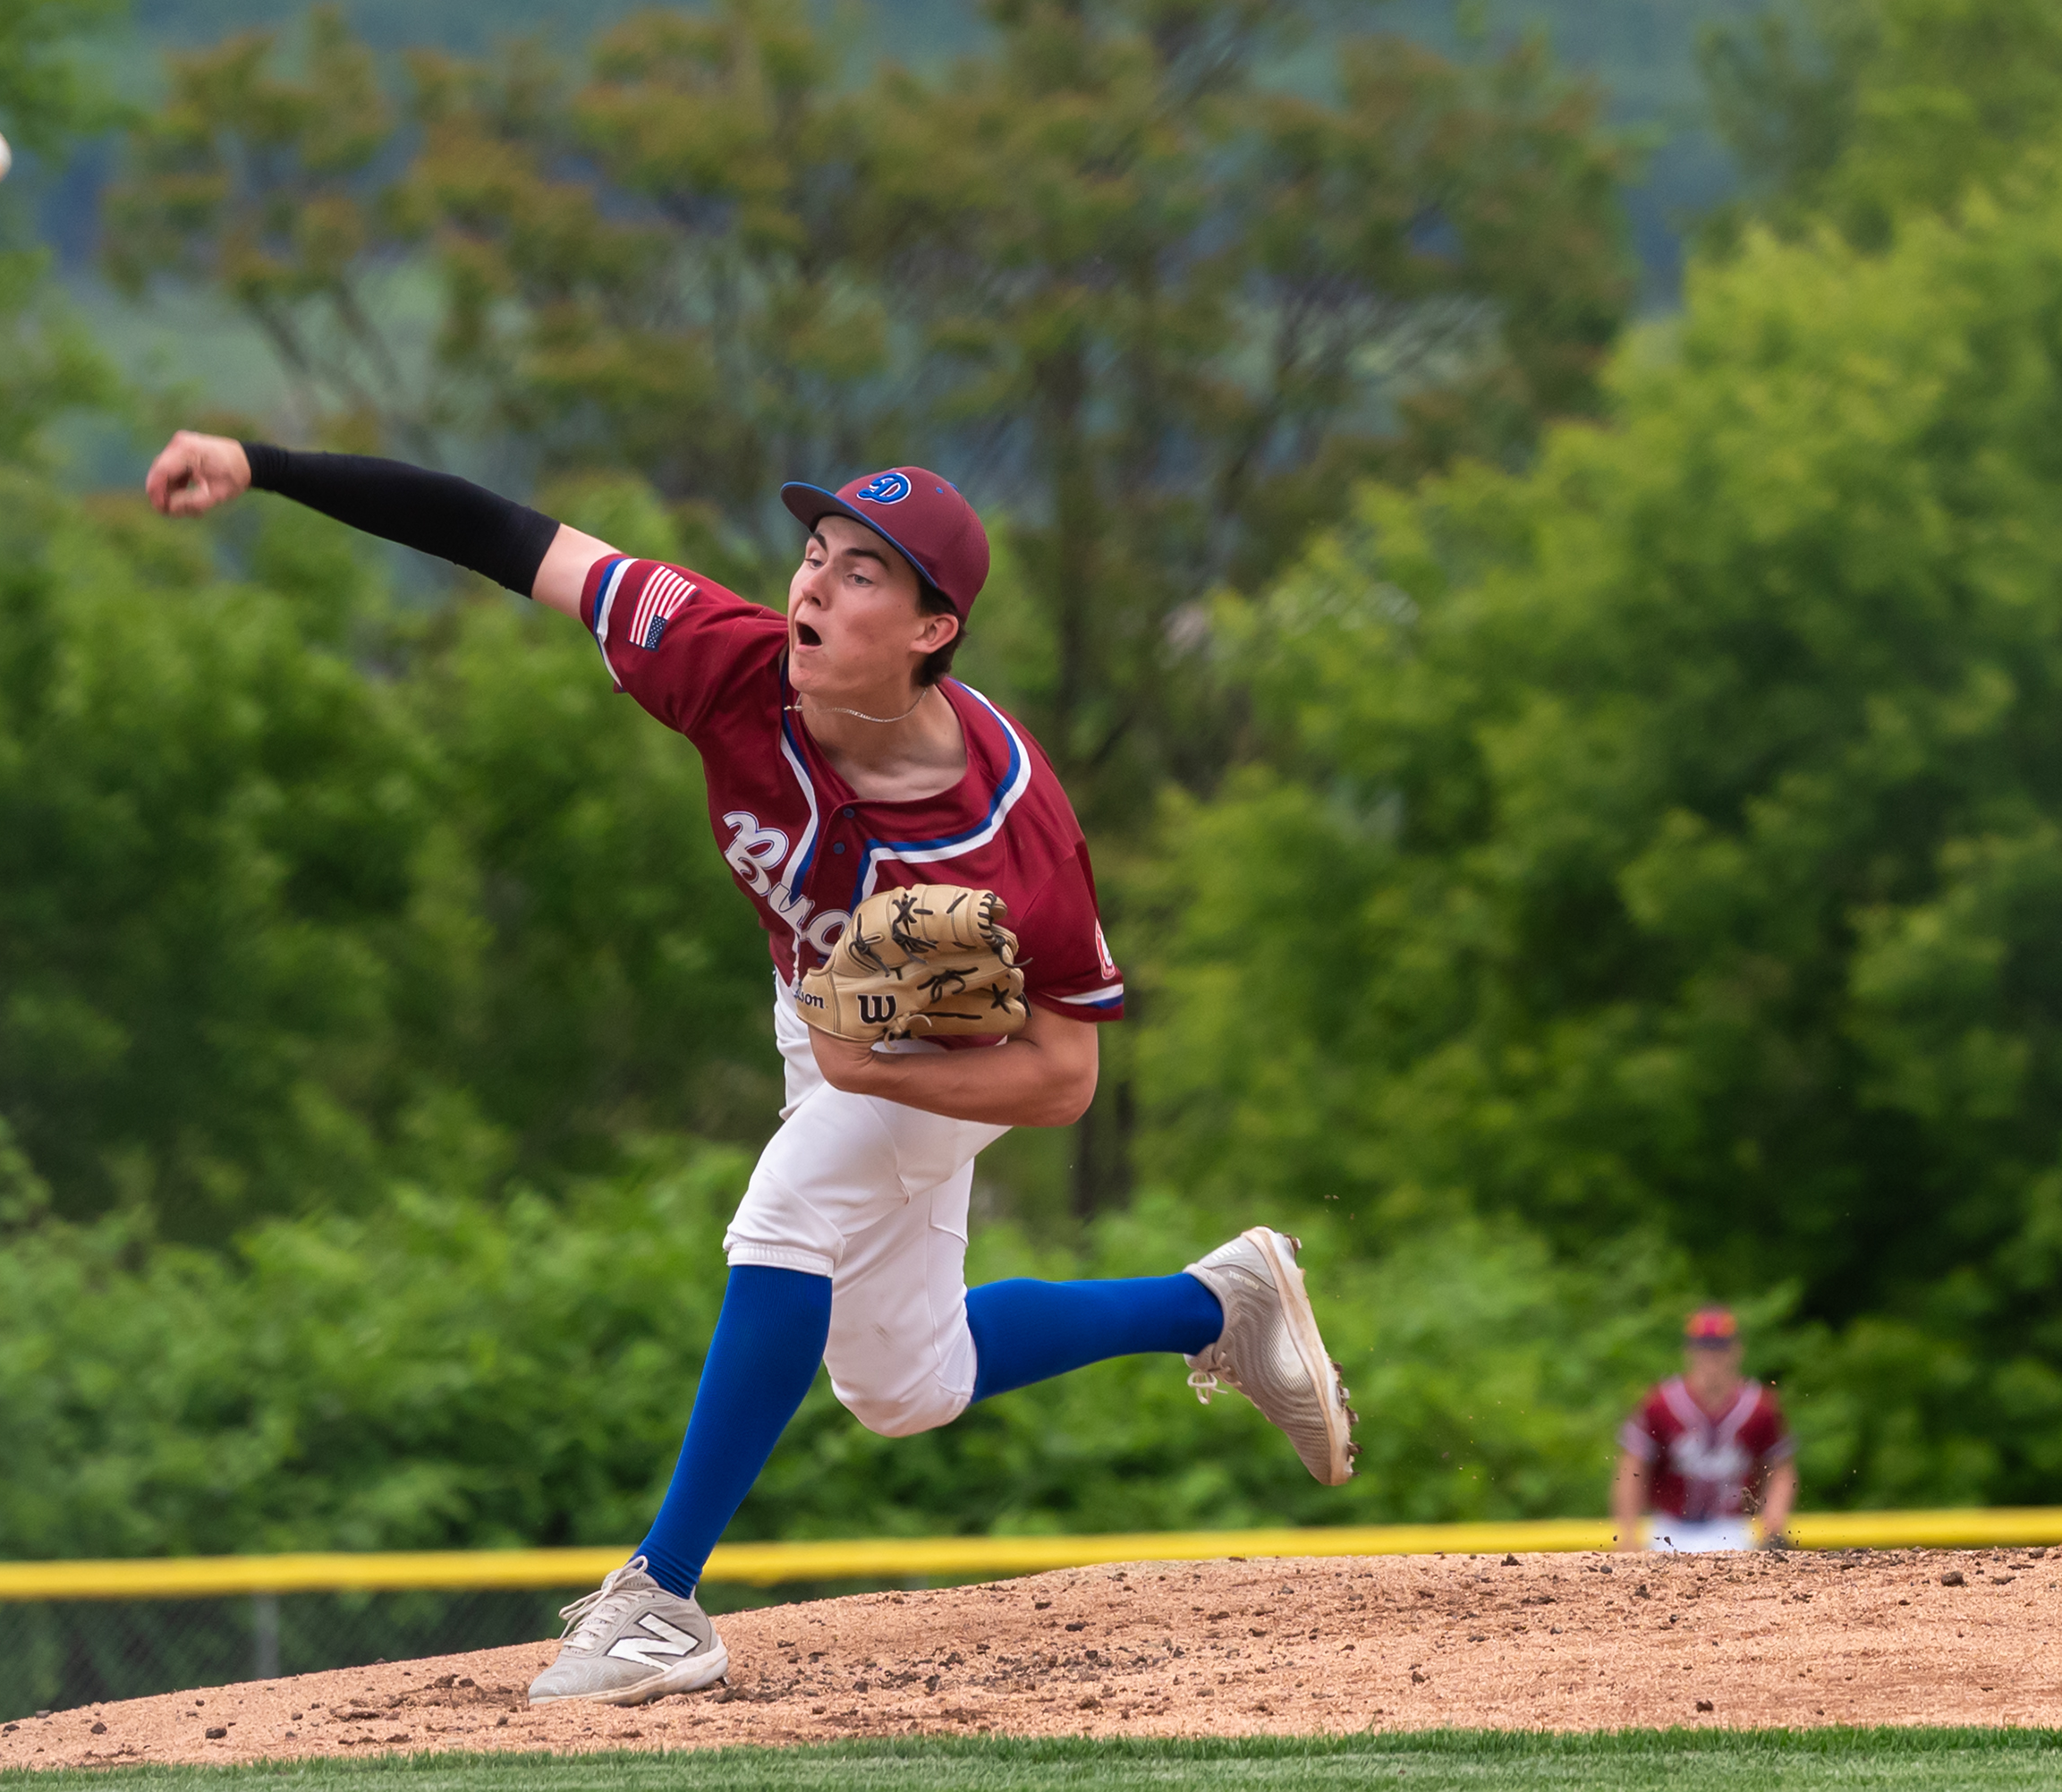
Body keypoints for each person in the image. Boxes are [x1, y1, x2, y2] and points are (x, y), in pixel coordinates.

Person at [142, 433, 1357, 1705]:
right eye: (816, 555)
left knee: (785, 1215)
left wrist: (878, 1078)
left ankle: (662, 1597)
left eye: (864, 575)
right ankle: (1217, 1302)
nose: (815, 587)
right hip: (820, 1001)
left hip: (955, 1044)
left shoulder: (1009, 835)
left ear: (934, 628)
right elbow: (502, 532)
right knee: (905, 1384)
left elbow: (1064, 1077)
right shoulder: (720, 658)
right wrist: (262, 462)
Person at [1612, 1306, 1797, 1553]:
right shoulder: (1660, 1403)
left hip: (1733, 1530)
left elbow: (1780, 1471)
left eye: (1720, 1347)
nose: (1712, 1356)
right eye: (1704, 1347)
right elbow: (1631, 1469)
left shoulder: (1760, 1408)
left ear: (1737, 1350)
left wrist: (1773, 1524)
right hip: (1669, 1529)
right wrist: (1627, 1533)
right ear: (1689, 1350)